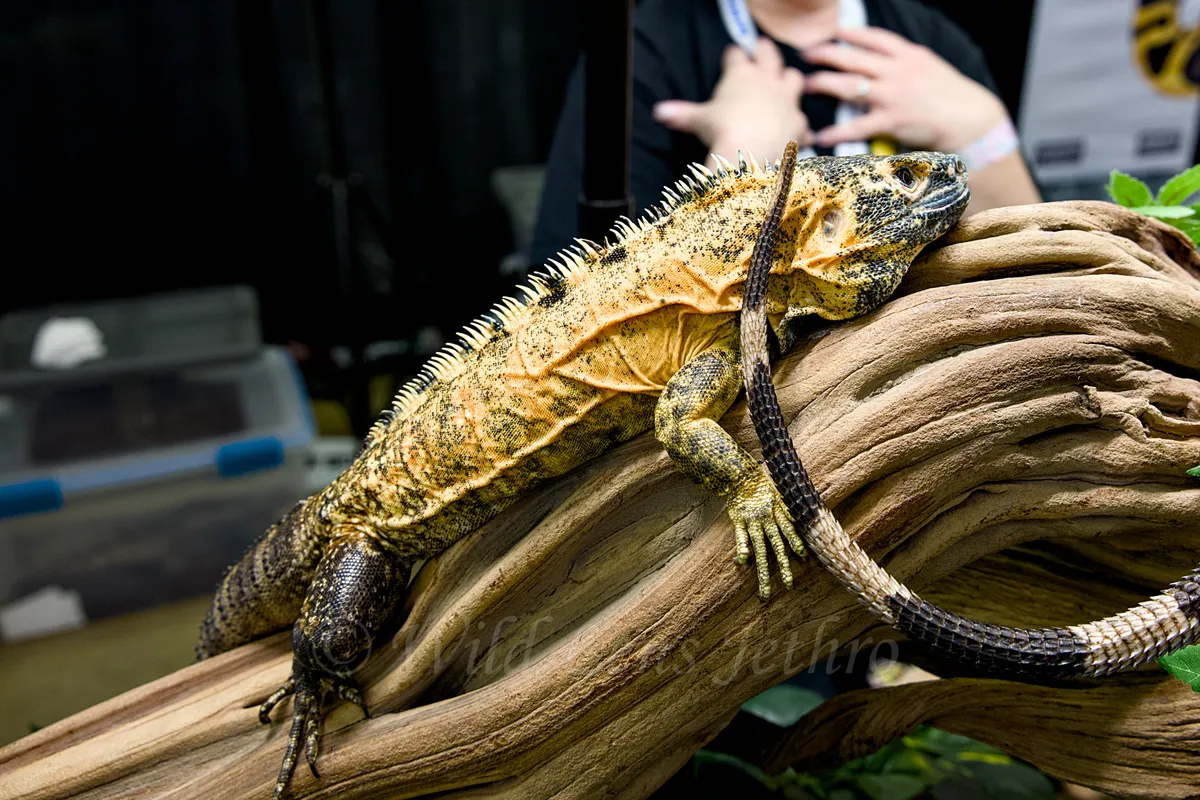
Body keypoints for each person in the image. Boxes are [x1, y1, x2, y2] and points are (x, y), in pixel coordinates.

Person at [530, 0, 1042, 269]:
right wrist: (742, 160)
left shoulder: (928, 40)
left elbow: (1039, 278)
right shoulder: (644, 49)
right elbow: (571, 300)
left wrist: (982, 133)